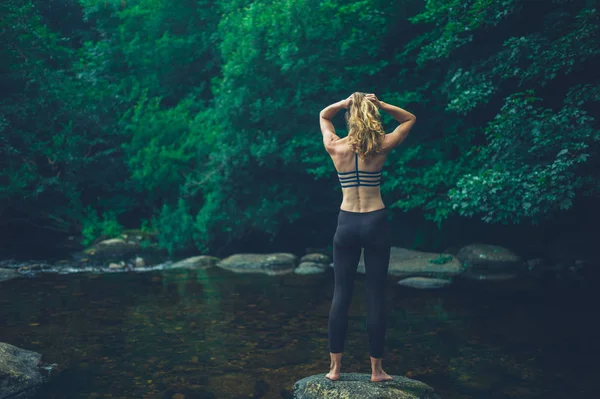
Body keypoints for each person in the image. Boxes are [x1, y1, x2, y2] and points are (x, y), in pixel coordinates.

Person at [319, 92, 416, 382]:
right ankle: (377, 371)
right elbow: (409, 118)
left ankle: (335, 370)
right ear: (371, 115)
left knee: (341, 294)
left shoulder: (336, 147)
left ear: (350, 117)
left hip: (346, 222)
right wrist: (383, 104)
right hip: (375, 219)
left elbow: (324, 116)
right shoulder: (381, 145)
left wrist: (342, 103)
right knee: (375, 295)